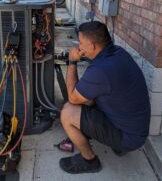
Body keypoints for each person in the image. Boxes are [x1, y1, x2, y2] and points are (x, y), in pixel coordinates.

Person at [59, 21, 151, 174]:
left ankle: (90, 160)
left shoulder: (101, 71)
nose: (79, 47)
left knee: (68, 112)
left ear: (93, 46)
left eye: (81, 43)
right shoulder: (117, 52)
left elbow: (72, 98)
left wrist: (72, 61)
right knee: (87, 97)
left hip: (128, 137)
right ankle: (115, 145)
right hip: (136, 128)